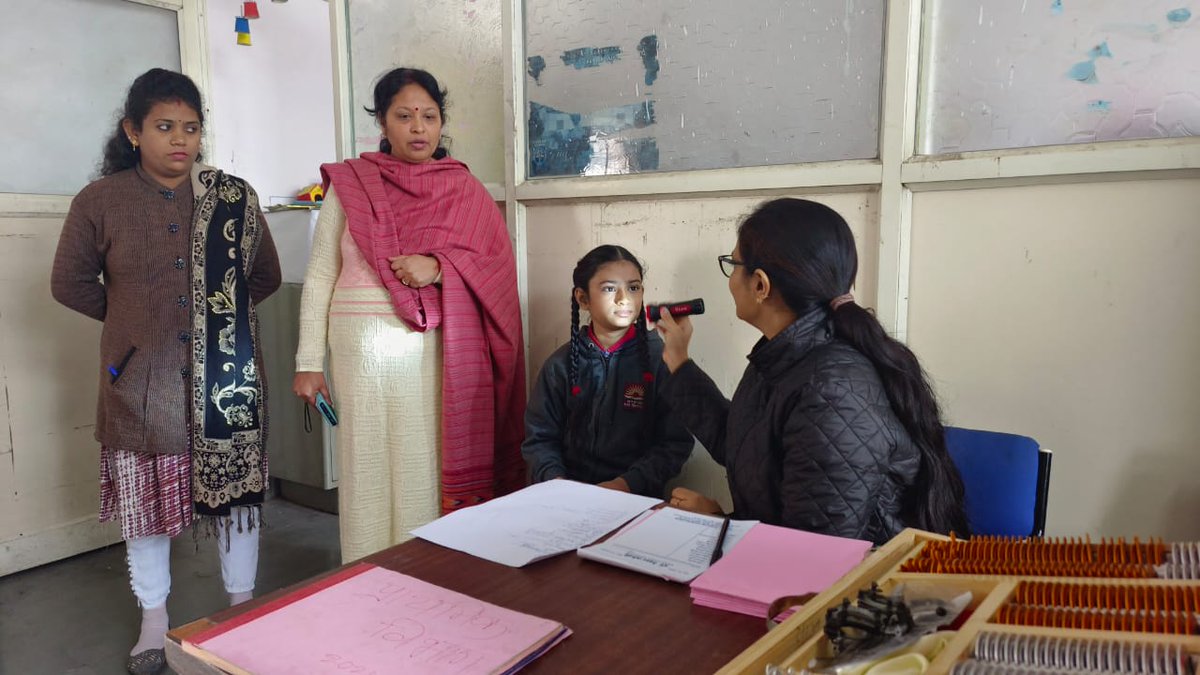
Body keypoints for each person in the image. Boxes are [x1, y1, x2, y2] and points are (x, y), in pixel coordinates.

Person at [50, 68, 280, 675]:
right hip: (140, 388)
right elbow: (68, 282)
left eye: (192, 127)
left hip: (224, 386)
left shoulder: (232, 198)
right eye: (164, 127)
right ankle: (155, 619)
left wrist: (216, 321)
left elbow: (265, 277)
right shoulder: (100, 201)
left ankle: (241, 608)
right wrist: (129, 324)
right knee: (145, 508)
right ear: (133, 131)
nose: (181, 140)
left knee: (235, 504)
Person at [293, 67, 524, 563]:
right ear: (381, 121)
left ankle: (424, 572)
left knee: (422, 459)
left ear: (442, 123)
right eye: (404, 116)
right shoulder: (352, 184)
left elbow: (495, 267)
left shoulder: (462, 189)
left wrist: (440, 267)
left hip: (427, 349)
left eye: (429, 116)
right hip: (356, 352)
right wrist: (308, 361)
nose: (418, 127)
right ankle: (363, 570)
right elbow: (318, 276)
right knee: (365, 463)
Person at [656, 198, 968, 544]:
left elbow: (816, 549)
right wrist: (678, 360)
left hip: (862, 585)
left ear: (760, 285)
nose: (730, 280)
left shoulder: (831, 389)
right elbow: (740, 445)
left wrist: (719, 524)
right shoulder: (784, 356)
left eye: (733, 264)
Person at [522, 245, 693, 497]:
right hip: (566, 496)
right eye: (609, 288)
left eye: (633, 288)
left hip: (635, 498)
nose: (623, 298)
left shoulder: (663, 360)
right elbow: (540, 439)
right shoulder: (560, 364)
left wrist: (625, 485)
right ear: (582, 299)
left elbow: (674, 443)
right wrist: (557, 483)